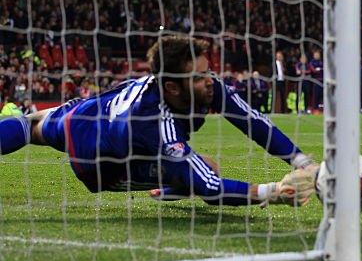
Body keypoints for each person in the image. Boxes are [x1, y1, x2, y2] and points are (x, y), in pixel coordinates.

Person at [0, 36, 318, 206]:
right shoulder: (158, 126)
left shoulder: (204, 84)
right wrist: (272, 192)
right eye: (198, 76)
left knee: (31, 123)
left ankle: (174, 182)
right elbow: (209, 187)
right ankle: (174, 182)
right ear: (172, 87)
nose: (209, 81)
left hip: (97, 109)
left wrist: (301, 161)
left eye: (207, 71)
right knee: (204, 172)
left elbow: (251, 120)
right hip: (99, 158)